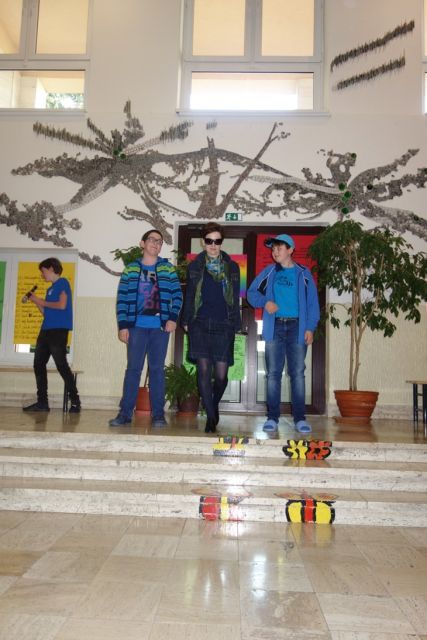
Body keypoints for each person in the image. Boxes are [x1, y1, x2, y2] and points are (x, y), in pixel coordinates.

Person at [247, 233, 320, 434]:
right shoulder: (269, 272)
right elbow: (252, 293)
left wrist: (310, 328)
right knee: (273, 374)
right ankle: (272, 418)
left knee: (297, 374)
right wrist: (265, 302)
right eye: (273, 249)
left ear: (290, 250)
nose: (275, 252)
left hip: (298, 328)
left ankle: (300, 419)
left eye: (279, 248)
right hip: (275, 327)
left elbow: (313, 304)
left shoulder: (304, 274)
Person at [109, 229, 183, 427]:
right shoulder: (131, 269)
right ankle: (125, 414)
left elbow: (177, 295)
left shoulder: (167, 269)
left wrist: (172, 317)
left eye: (159, 241)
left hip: (160, 328)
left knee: (157, 370)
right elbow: (122, 299)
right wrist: (123, 326)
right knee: (133, 370)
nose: (156, 244)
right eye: (152, 240)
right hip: (136, 328)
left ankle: (158, 414)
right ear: (143, 243)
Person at [182, 222, 241, 433]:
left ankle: (212, 405)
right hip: (199, 322)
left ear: (221, 242)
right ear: (203, 242)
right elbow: (190, 295)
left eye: (217, 241)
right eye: (209, 241)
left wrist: (235, 322)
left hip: (224, 323)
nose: (213, 245)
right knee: (204, 370)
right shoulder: (195, 266)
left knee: (222, 374)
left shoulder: (232, 267)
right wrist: (186, 320)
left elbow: (235, 296)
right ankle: (210, 417)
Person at [23, 257, 80, 413]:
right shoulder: (49, 290)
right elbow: (46, 313)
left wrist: (40, 300)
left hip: (58, 331)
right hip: (46, 330)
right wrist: (36, 301)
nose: (42, 275)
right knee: (38, 364)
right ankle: (42, 403)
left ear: (51, 269)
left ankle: (75, 401)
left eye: (43, 271)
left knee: (61, 365)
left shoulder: (63, 283)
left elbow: (62, 305)